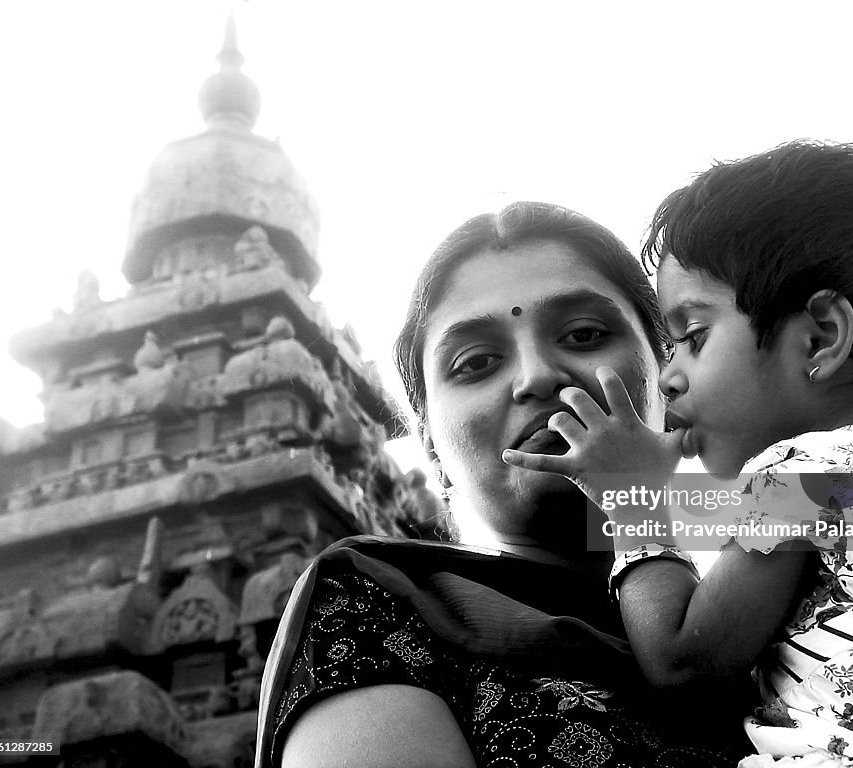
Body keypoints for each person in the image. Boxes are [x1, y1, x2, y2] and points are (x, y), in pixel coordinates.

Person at [503, 141, 853, 766]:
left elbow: (683, 662)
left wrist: (632, 495)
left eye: (693, 336)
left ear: (820, 337)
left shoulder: (801, 473)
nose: (667, 378)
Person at [254, 202, 752, 768]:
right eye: (476, 362)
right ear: (434, 453)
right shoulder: (377, 603)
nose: (538, 376)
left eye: (585, 334)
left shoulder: (770, 546)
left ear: (670, 380)